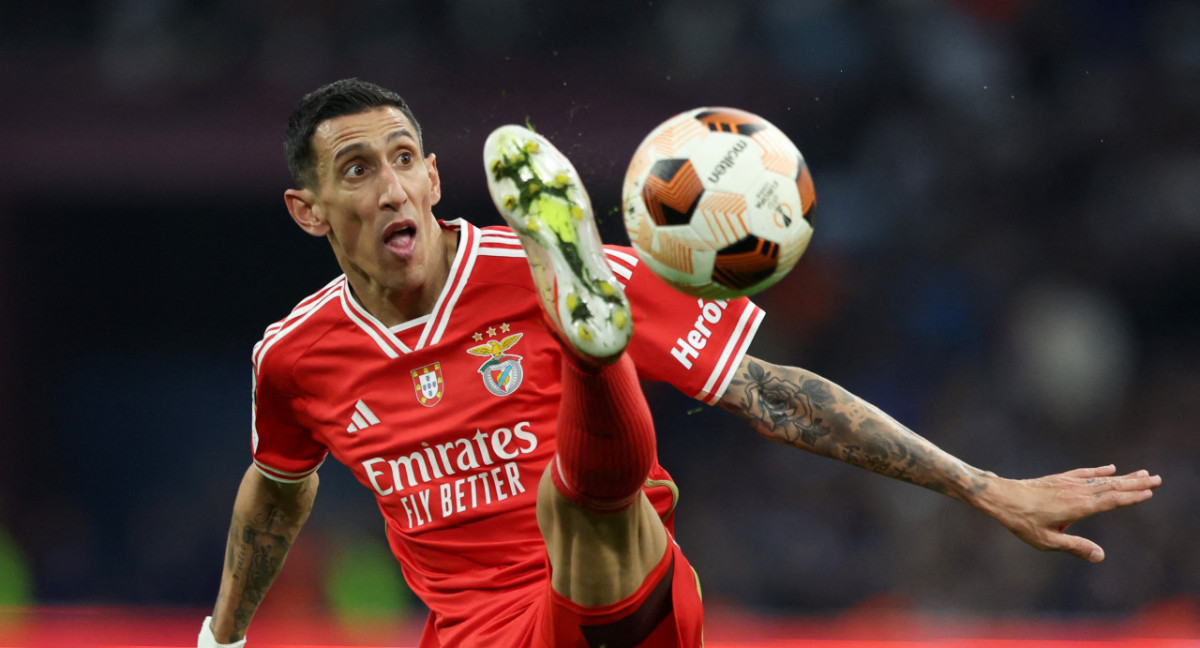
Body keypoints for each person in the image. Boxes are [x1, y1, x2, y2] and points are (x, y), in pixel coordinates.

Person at [198, 78, 1161, 648]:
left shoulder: (525, 269)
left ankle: (590, 342)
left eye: (405, 157)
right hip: (480, 637)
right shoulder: (294, 358)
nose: (392, 183)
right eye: (358, 169)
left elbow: (774, 395)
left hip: (632, 600)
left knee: (575, 504)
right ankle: (592, 349)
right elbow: (278, 489)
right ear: (309, 209)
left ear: (436, 177)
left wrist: (982, 486)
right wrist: (223, 633)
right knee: (570, 507)